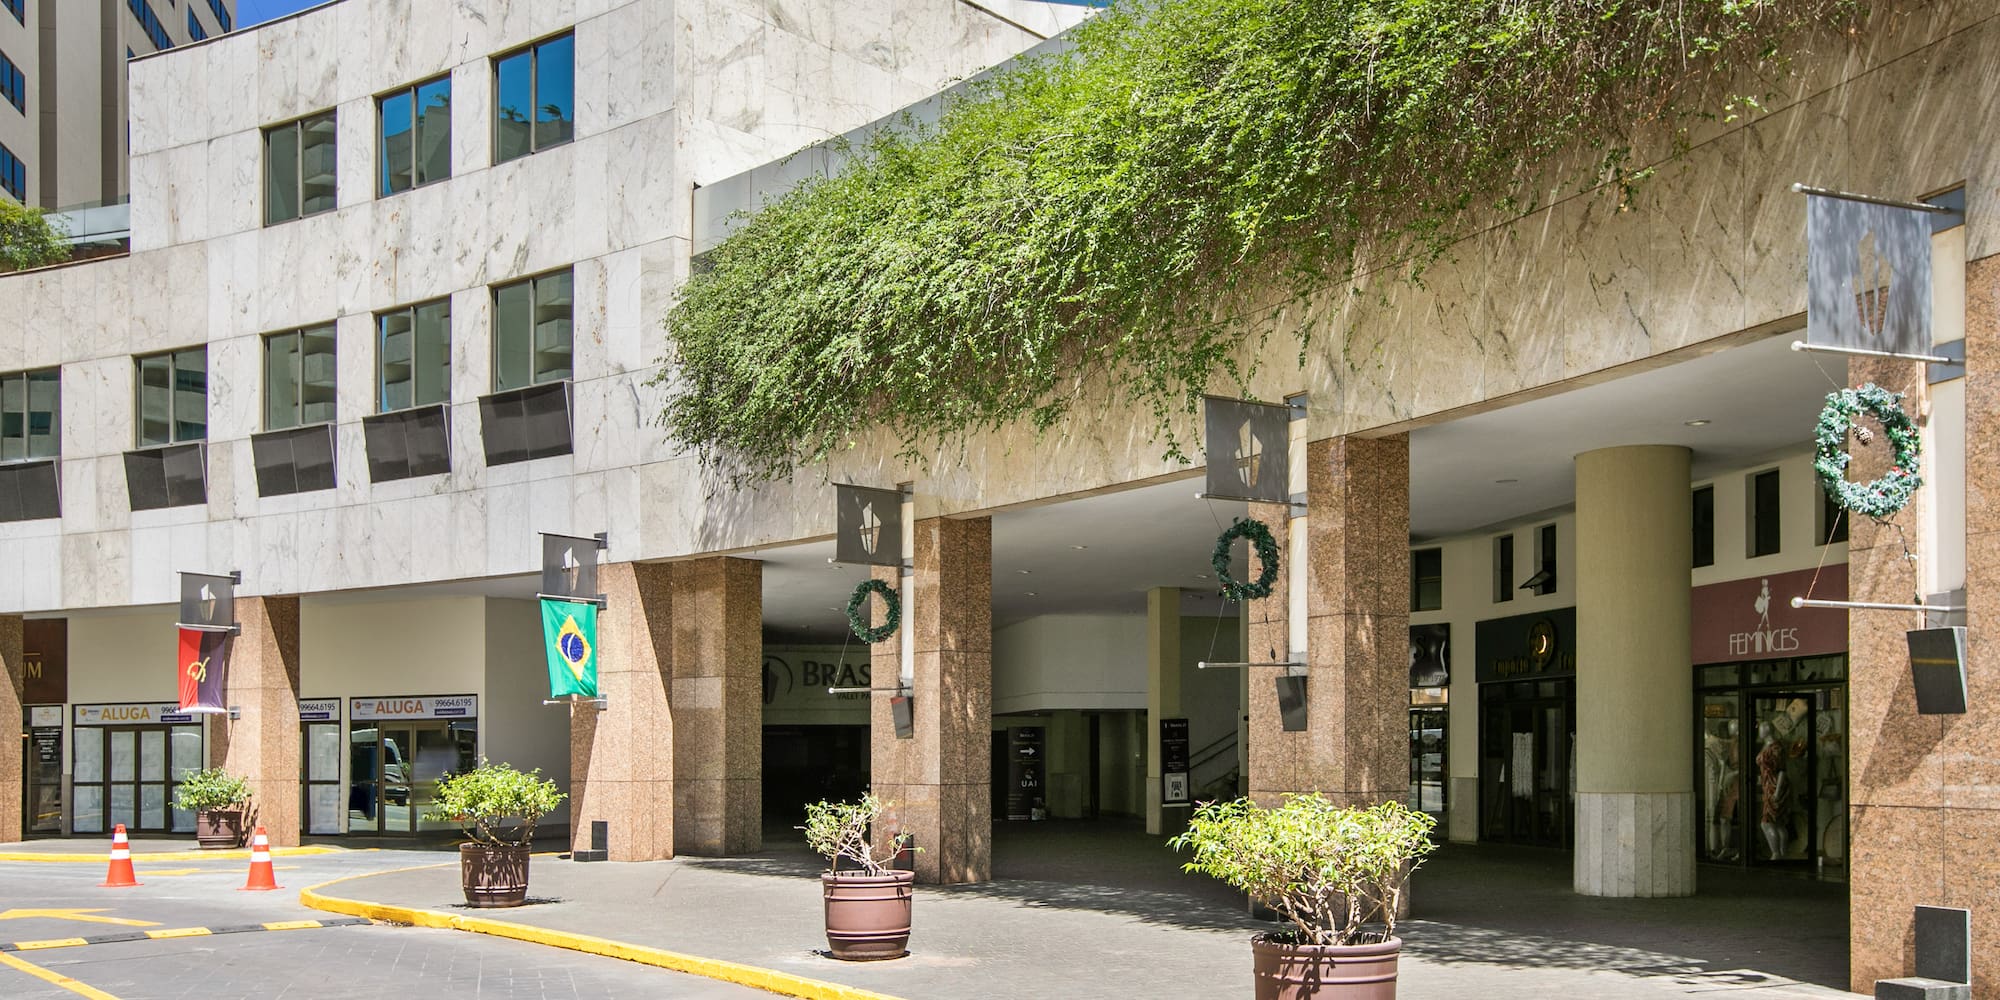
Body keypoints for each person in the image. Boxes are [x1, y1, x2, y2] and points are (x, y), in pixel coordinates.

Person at [1757, 722, 1791, 860]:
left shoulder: (1776, 748)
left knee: (1767, 822)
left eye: (1760, 729)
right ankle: (1782, 854)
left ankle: (1776, 853)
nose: (1759, 731)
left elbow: (1782, 770)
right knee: (1778, 823)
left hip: (1775, 786)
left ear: (1767, 730)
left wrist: (1777, 791)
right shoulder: (1767, 746)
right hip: (1768, 786)